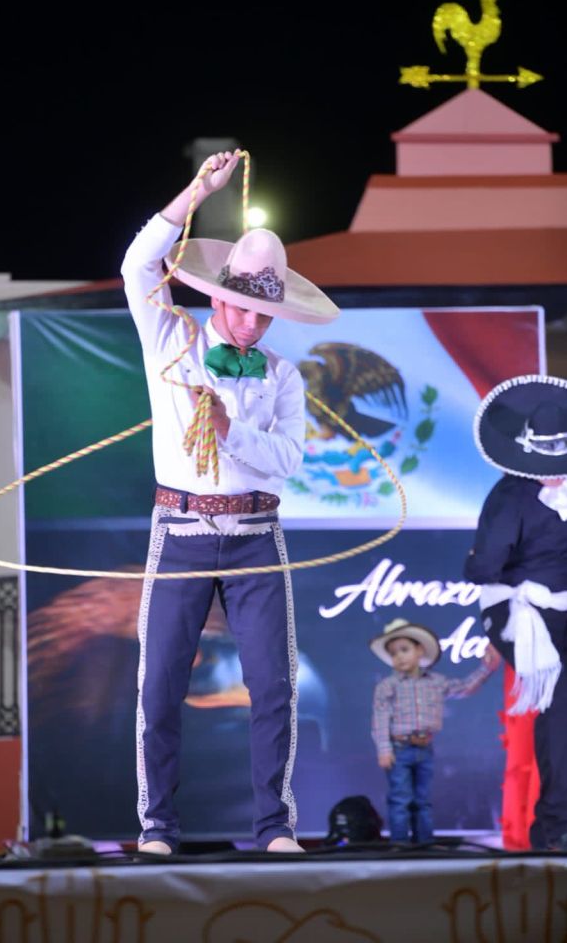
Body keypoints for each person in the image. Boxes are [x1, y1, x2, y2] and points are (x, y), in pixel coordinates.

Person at [120, 150, 339, 855]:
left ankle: (275, 827)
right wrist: (195, 192)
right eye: (242, 309)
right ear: (217, 298)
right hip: (180, 528)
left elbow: (288, 461)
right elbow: (137, 266)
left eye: (264, 315)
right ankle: (157, 827)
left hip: (255, 534)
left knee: (273, 687)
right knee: (159, 688)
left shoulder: (282, 376)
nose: (251, 325)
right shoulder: (171, 338)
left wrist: (228, 430)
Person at [465, 374, 567, 850]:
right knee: (560, 705)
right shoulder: (511, 495)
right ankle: (555, 827)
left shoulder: (513, 495)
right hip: (518, 608)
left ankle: (556, 825)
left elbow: (482, 561)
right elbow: (485, 568)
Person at [370, 617, 499, 844]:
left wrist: (486, 669)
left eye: (404, 649)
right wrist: (384, 749)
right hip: (399, 748)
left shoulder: (436, 682)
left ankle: (424, 845)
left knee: (423, 800)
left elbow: (464, 687)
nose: (399, 657)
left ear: (420, 650)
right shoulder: (387, 686)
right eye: (394, 653)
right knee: (400, 799)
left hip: (424, 747)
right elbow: (380, 718)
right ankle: (399, 846)